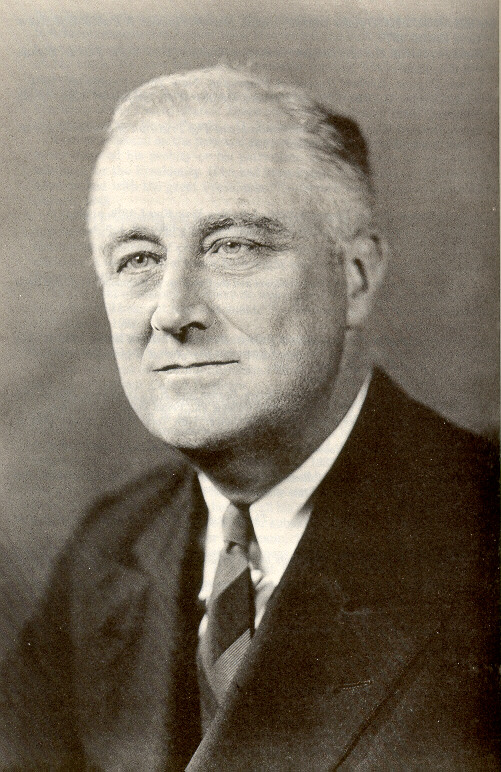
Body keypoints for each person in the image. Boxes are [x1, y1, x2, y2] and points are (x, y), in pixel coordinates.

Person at [0, 65, 498, 770]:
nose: (173, 311)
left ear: (355, 276)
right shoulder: (107, 553)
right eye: (138, 258)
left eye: (232, 246)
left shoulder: (481, 531)